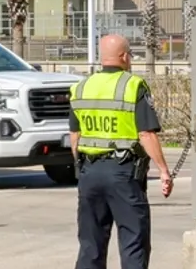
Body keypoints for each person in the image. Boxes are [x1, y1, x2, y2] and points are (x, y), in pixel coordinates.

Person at [70, 34, 173, 269]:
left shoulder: (81, 86)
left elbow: (74, 136)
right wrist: (164, 171)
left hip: (89, 173)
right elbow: (146, 134)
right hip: (123, 174)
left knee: (90, 244)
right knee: (133, 241)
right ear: (124, 56)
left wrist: (81, 168)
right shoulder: (132, 85)